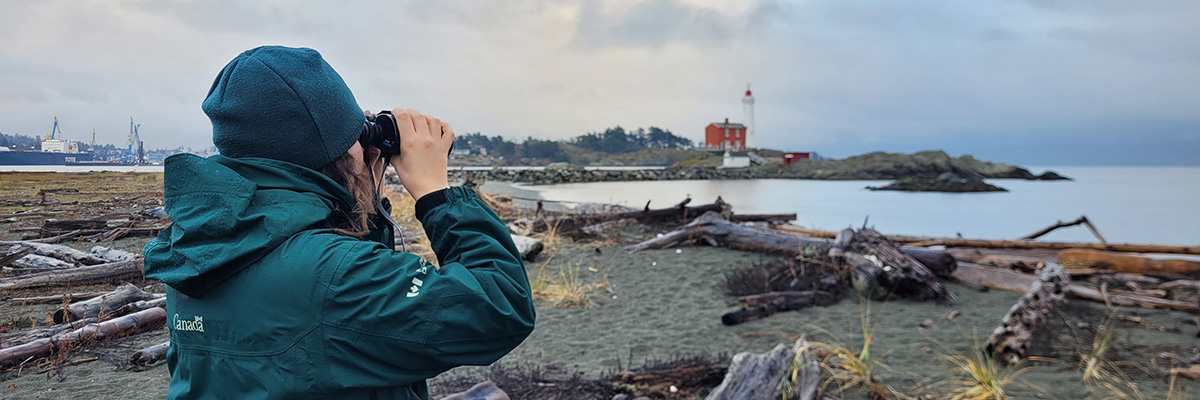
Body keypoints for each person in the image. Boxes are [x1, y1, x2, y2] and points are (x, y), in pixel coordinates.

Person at [143, 46, 535, 400]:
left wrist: (363, 198)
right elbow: (501, 306)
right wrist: (436, 193)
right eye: (356, 135)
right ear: (329, 150)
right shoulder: (336, 275)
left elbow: (335, 337)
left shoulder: (197, 247)